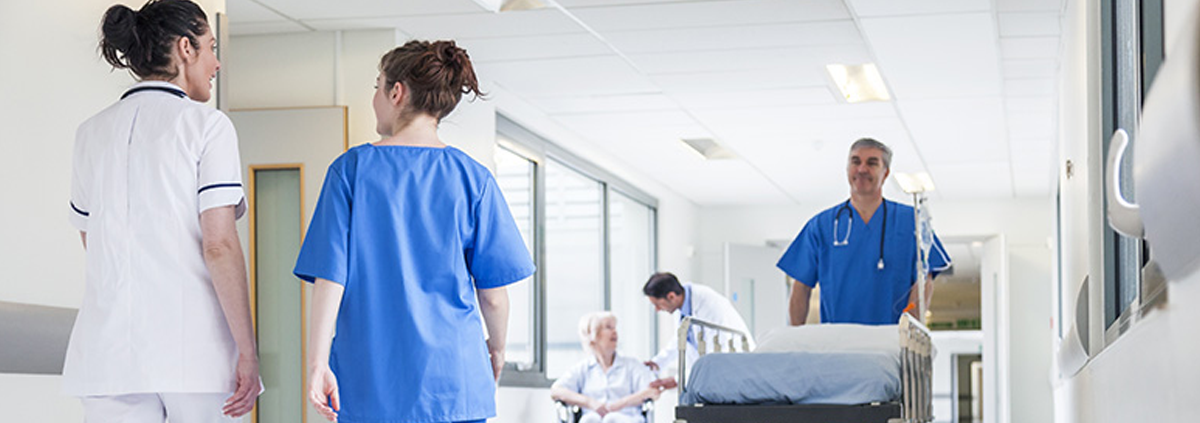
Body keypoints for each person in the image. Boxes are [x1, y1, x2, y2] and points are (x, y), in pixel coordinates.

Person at [294, 40, 535, 423]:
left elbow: (330, 279)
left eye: (377, 86)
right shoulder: (473, 179)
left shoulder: (351, 171)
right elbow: (492, 296)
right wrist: (497, 350)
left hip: (370, 382)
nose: (375, 96)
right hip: (454, 384)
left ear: (396, 92)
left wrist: (317, 364)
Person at [64, 0, 260, 420]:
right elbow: (220, 245)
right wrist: (247, 351)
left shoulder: (90, 133)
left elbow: (93, 239)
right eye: (210, 47)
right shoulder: (207, 126)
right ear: (186, 48)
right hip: (195, 353)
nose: (217, 63)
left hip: (107, 356)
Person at [777, 138, 952, 326]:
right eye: (855, 162)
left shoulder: (912, 222)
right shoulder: (821, 226)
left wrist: (908, 328)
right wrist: (796, 339)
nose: (862, 169)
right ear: (847, 169)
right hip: (837, 343)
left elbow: (924, 281)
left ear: (885, 173)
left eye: (872, 163)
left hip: (891, 341)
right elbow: (800, 288)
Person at [551, 312, 662, 423]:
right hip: (593, 418)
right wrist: (589, 402)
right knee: (589, 419)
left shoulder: (631, 366)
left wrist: (620, 404)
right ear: (593, 335)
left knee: (611, 419)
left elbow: (653, 390)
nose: (615, 332)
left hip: (627, 418)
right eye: (608, 327)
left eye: (615, 328)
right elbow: (556, 391)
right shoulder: (584, 369)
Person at [643, 272, 754, 375]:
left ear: (671, 296)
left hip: (735, 367)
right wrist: (658, 362)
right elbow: (681, 339)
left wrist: (678, 379)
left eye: (658, 304)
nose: (657, 309)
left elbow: (716, 353)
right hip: (714, 371)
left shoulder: (709, 306)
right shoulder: (681, 307)